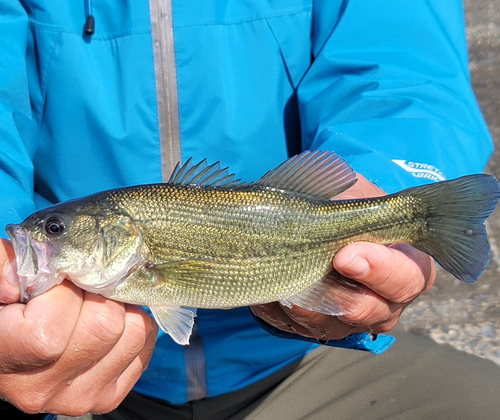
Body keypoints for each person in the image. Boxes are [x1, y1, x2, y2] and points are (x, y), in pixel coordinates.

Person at [0, 1, 499, 419]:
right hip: (54, 368)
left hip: (299, 360)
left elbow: (405, 70)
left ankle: (424, 214)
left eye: (56, 228)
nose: (41, 235)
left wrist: (393, 179)